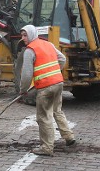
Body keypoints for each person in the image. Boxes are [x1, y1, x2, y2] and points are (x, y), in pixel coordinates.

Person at [19, 24, 76, 156]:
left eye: (25, 35)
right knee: (57, 111)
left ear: (32, 34)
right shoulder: (48, 44)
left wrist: (23, 90)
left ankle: (47, 147)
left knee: (43, 117)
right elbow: (62, 59)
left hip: (45, 87)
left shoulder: (29, 50)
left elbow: (26, 75)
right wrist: (54, 72)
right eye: (22, 35)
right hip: (58, 83)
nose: (23, 38)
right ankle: (69, 137)